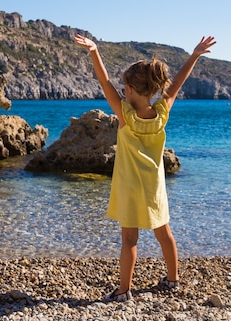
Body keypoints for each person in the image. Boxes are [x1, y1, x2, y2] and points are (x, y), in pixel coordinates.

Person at [73, 33, 217, 302]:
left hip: (129, 188)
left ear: (128, 90)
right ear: (152, 89)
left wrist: (94, 51)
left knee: (129, 240)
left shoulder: (125, 115)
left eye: (123, 87)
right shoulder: (162, 113)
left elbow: (104, 82)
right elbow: (175, 85)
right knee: (164, 234)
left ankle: (124, 290)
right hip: (155, 187)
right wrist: (194, 55)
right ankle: (173, 280)